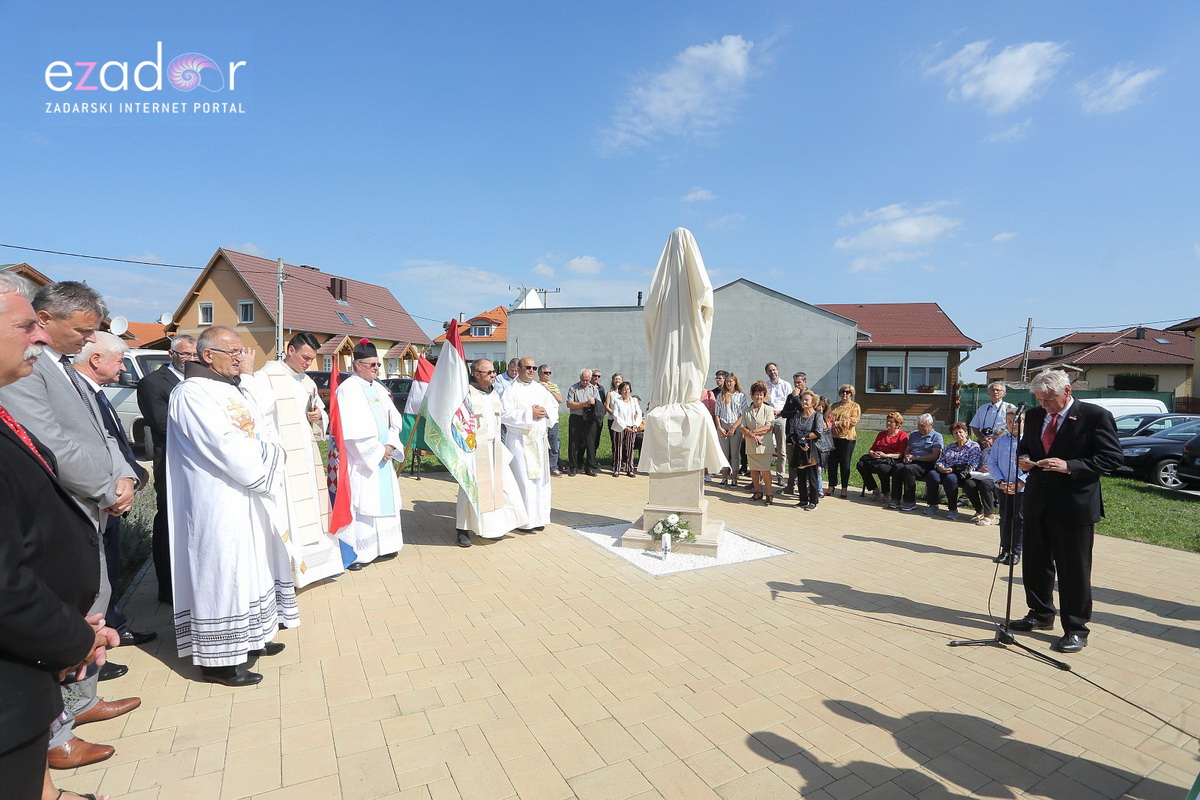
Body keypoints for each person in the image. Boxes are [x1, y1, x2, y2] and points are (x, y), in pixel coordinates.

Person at [0, 281, 141, 767]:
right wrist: (107, 489)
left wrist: (125, 474)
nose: (89, 340)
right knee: (67, 617)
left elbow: (102, 431)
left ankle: (81, 705)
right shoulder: (25, 369)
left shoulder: (64, 368)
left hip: (96, 506)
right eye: (82, 331)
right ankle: (54, 739)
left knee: (93, 605)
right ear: (45, 318)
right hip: (74, 507)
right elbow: (51, 442)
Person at [167, 326, 298, 687]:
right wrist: (270, 455)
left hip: (247, 497)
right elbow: (226, 446)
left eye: (241, 352)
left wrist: (271, 449)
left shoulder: (229, 388)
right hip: (218, 500)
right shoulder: (191, 394)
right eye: (234, 353)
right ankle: (219, 661)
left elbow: (262, 427)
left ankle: (252, 638)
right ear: (208, 356)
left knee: (253, 568)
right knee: (223, 572)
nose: (241, 359)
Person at [1013, 370, 1123, 654]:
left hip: (1074, 505)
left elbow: (1112, 458)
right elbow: (1026, 448)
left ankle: (1076, 628)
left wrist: (1070, 466)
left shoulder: (1095, 416)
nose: (1044, 405)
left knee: (1073, 568)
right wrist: (1024, 460)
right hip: (1038, 501)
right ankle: (1040, 613)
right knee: (1036, 562)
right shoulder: (1036, 416)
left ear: (1067, 391)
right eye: (1039, 399)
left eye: (1049, 399)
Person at [72, 333, 155, 649]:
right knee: (94, 576)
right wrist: (109, 490)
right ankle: (93, 644)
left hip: (114, 495)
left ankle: (113, 629)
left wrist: (129, 478)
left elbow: (113, 442)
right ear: (96, 360)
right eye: (119, 361)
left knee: (109, 570)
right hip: (99, 499)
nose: (123, 369)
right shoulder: (79, 395)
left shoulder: (97, 393)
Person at [246, 332, 343, 588]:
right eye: (305, 357)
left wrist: (317, 417)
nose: (308, 363)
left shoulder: (307, 382)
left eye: (311, 359)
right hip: (286, 463)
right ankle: (291, 572)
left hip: (307, 461)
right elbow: (256, 417)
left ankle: (317, 568)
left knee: (312, 509)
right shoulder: (266, 377)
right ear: (290, 350)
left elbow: (320, 415)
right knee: (291, 514)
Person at [136, 334, 197, 604]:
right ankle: (167, 588)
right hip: (170, 462)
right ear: (171, 355)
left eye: (194, 355)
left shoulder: (201, 380)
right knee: (168, 522)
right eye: (185, 355)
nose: (191, 360)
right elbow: (161, 422)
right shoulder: (153, 383)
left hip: (198, 463)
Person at [335, 339, 404, 570]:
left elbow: (395, 421)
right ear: (358, 365)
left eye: (378, 364)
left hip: (383, 457)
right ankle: (360, 553)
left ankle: (385, 545)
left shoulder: (379, 388)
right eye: (373, 364)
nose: (377, 368)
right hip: (363, 461)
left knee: (385, 502)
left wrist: (390, 445)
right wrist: (378, 451)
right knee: (364, 503)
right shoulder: (348, 389)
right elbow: (352, 431)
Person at [456, 359, 527, 546]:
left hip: (494, 448)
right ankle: (462, 529)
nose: (494, 375)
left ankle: (492, 527)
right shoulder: (466, 394)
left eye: (494, 372)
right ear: (476, 374)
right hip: (473, 450)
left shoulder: (494, 394)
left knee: (498, 489)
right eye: (489, 372)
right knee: (470, 490)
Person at [501, 357, 557, 528]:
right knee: (523, 481)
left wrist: (545, 412)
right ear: (518, 368)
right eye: (528, 367)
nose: (532, 371)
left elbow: (554, 407)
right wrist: (528, 414)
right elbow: (504, 414)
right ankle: (524, 521)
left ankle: (539, 518)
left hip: (538, 442)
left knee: (540, 482)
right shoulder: (511, 390)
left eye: (534, 367)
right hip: (520, 442)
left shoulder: (540, 389)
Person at [922, 422, 994, 522]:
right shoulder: (950, 447)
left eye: (960, 432)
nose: (958, 434)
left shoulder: (974, 446)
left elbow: (973, 464)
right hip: (945, 470)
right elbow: (941, 460)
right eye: (955, 433)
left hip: (961, 473)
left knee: (950, 478)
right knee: (932, 475)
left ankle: (952, 509)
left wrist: (954, 469)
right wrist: (941, 467)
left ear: (966, 433)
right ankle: (933, 504)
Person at [987, 408, 1027, 563]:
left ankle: (1016, 551)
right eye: (1009, 422)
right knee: (1005, 518)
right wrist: (1000, 482)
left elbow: (1033, 466)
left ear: (1024, 422)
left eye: (1017, 421)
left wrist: (1020, 482)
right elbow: (992, 463)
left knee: (1019, 518)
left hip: (1021, 489)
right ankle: (1005, 549)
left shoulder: (1030, 441)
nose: (1013, 425)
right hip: (1003, 487)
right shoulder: (1001, 441)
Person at [787, 390, 828, 511]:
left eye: (807, 400)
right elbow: (792, 433)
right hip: (799, 449)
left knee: (812, 477)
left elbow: (818, 432)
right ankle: (803, 500)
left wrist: (804, 438)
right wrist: (799, 442)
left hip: (811, 450)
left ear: (813, 402)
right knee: (800, 476)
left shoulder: (817, 416)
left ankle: (813, 502)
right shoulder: (796, 416)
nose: (804, 402)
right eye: (802, 399)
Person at [893, 414, 943, 512]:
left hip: (927, 464)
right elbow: (908, 449)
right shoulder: (914, 434)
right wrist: (907, 455)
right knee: (898, 467)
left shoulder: (937, 437)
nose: (920, 428)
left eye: (923, 426)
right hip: (912, 461)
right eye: (919, 425)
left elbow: (935, 455)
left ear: (931, 425)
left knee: (909, 469)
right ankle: (895, 498)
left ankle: (909, 501)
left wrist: (917, 457)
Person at [857, 412, 908, 503]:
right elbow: (872, 449)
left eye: (891, 422)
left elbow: (900, 454)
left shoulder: (903, 436)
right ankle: (874, 489)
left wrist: (886, 455)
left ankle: (886, 492)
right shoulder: (881, 434)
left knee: (882, 468)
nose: (888, 424)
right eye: (887, 421)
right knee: (860, 464)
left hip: (891, 461)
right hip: (877, 459)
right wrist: (872, 453)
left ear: (898, 425)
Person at [742, 381, 775, 505]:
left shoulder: (768, 409)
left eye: (761, 394)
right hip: (751, 445)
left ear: (764, 396)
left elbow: (769, 426)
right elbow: (742, 427)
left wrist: (753, 432)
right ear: (751, 395)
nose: (759, 397)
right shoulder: (746, 411)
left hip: (764, 445)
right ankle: (757, 491)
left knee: (765, 470)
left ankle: (769, 494)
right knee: (754, 470)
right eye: (756, 394)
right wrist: (750, 434)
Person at [827, 384, 861, 499]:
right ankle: (831, 486)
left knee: (845, 464)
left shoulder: (855, 406)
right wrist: (831, 426)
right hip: (833, 438)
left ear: (851, 394)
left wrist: (838, 424)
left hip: (847, 439)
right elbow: (827, 419)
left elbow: (853, 421)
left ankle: (844, 488)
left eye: (847, 392)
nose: (845, 394)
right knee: (832, 462)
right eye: (843, 392)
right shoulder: (834, 406)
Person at [565, 368, 600, 476]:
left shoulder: (593, 389)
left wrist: (594, 402)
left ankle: (589, 466)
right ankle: (574, 466)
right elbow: (569, 404)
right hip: (576, 417)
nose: (585, 382)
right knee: (574, 443)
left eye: (587, 380)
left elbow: (598, 403)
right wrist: (583, 404)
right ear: (580, 378)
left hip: (589, 418)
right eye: (583, 380)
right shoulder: (573, 388)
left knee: (590, 443)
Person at [713, 373, 746, 486]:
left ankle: (734, 478)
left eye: (731, 381)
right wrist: (719, 427)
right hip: (723, 425)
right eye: (727, 381)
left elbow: (743, 414)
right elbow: (717, 413)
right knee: (724, 453)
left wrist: (734, 427)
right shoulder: (720, 396)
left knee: (735, 453)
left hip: (735, 426)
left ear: (735, 382)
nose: (728, 383)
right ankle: (724, 477)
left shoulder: (741, 396)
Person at [778, 372, 808, 494]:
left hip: (804, 435)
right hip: (791, 433)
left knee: (804, 462)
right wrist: (794, 412)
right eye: (795, 382)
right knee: (792, 461)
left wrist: (796, 399)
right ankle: (790, 486)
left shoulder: (809, 396)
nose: (796, 385)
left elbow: (804, 411)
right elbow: (784, 413)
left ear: (805, 382)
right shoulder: (791, 396)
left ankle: (805, 488)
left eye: (799, 383)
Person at [970, 381, 1016, 459]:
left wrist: (995, 440)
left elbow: (1015, 427)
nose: (995, 392)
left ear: (1004, 393)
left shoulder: (1010, 408)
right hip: (984, 443)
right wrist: (982, 440)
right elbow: (974, 426)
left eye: (998, 390)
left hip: (1003, 443)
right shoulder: (982, 408)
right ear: (988, 393)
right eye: (992, 390)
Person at [764, 363, 791, 487]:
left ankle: (780, 475)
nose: (772, 372)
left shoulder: (786, 385)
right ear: (767, 372)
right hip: (768, 418)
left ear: (777, 370)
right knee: (764, 449)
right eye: (770, 370)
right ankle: (763, 475)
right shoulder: (765, 386)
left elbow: (789, 403)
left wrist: (780, 412)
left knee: (781, 449)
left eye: (774, 369)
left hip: (781, 418)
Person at [609, 381, 642, 476]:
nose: (626, 391)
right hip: (620, 427)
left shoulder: (634, 401)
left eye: (627, 389)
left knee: (630, 448)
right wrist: (625, 427)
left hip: (632, 427)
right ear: (620, 391)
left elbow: (638, 413)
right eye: (624, 389)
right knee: (618, 448)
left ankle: (630, 469)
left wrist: (635, 424)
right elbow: (615, 415)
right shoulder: (617, 401)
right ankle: (617, 469)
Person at [537, 364, 563, 475]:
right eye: (545, 372)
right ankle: (541, 466)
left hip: (552, 419)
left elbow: (560, 399)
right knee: (539, 442)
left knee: (553, 442)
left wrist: (548, 390)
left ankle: (553, 466)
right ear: (540, 374)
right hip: (539, 419)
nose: (548, 375)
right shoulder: (535, 386)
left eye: (549, 373)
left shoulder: (553, 386)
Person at [604, 372, 623, 458]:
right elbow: (607, 406)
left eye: (619, 379)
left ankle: (623, 460)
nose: (617, 380)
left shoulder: (624, 392)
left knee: (623, 441)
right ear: (613, 380)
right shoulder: (610, 393)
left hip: (623, 420)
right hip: (612, 420)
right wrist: (615, 415)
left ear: (622, 381)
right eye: (616, 379)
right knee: (615, 441)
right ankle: (615, 460)